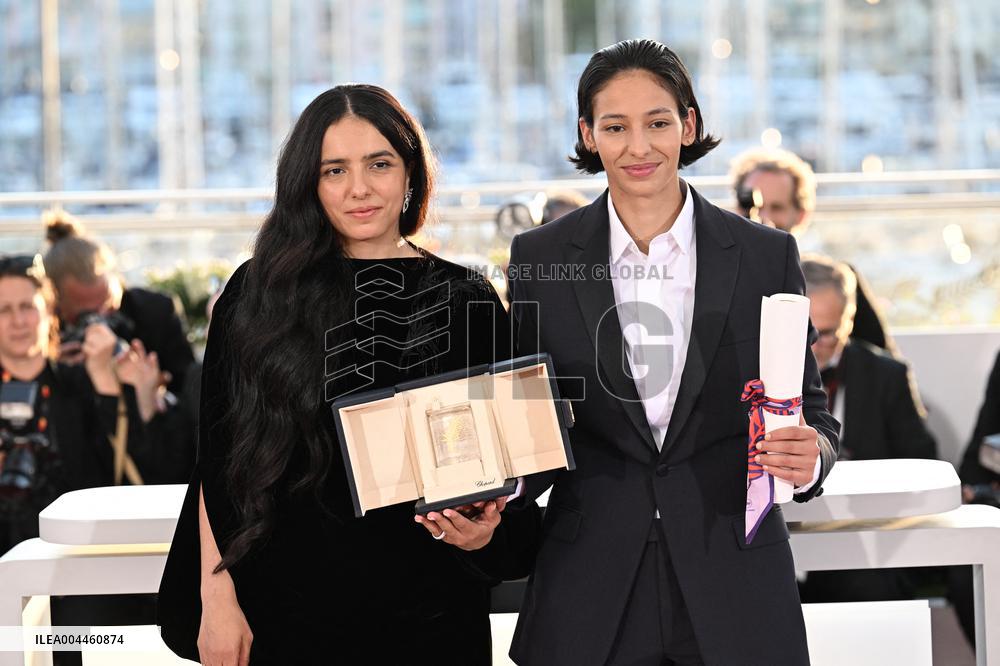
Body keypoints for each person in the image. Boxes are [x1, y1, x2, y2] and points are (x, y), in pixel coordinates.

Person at [156, 84, 541, 666]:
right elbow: (217, 460)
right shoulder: (256, 294)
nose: (358, 188)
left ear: (410, 173)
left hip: (430, 612)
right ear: (308, 184)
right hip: (282, 612)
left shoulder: (468, 298)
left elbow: (501, 470)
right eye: (334, 169)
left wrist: (485, 529)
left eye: (379, 164)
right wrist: (217, 597)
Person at [505, 39, 839, 666]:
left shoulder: (765, 257)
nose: (639, 146)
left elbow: (813, 415)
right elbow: (530, 428)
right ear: (588, 134)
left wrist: (811, 455)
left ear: (688, 124)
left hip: (734, 584)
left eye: (658, 122)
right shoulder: (538, 259)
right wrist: (490, 489)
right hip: (590, 589)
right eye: (615, 126)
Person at [797, 255, 936, 603]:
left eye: (827, 334)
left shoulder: (887, 376)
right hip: (786, 539)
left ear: (850, 321)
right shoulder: (759, 373)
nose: (813, 346)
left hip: (865, 542)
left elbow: (922, 462)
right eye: (806, 332)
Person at [729, 147, 895, 355]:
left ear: (801, 215)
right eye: (751, 207)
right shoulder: (713, 276)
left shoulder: (839, 280)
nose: (763, 218)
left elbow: (885, 371)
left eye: (777, 207)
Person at [41, 211, 195, 395]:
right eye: (86, 316)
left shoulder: (155, 312)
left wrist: (153, 383)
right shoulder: (40, 329)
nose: (100, 319)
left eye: (108, 305)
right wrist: (52, 370)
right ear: (54, 303)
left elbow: (188, 389)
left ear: (115, 279)